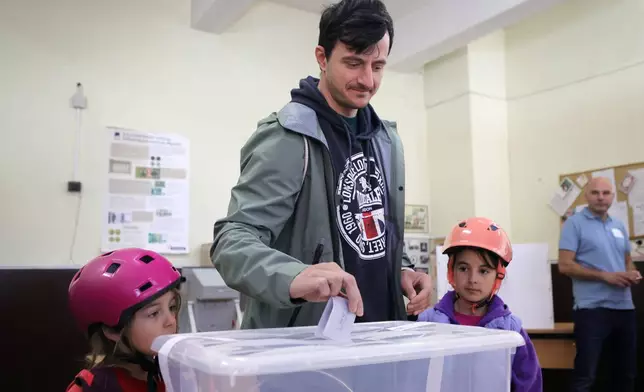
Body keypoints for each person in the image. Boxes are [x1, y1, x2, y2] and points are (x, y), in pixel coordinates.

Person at [210, 0, 432, 329]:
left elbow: (372, 236)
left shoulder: (387, 141)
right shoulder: (287, 137)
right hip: (308, 350)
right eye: (354, 63)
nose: (368, 80)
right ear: (322, 58)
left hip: (380, 337)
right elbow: (231, 241)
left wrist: (402, 270)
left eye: (378, 65)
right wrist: (294, 276)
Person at [418, 217, 542, 392]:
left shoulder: (511, 330)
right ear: (451, 270)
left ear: (498, 276)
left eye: (484, 271)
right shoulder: (428, 323)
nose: (473, 279)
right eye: (463, 268)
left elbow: (529, 384)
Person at [558, 177, 640, 392]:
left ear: (613, 196)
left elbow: (626, 260)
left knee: (626, 374)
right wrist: (606, 277)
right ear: (587, 196)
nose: (601, 197)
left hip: (624, 309)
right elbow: (565, 266)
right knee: (586, 376)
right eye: (595, 192)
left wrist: (631, 274)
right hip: (592, 310)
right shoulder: (574, 223)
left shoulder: (619, 225)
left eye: (606, 193)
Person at [66, 248, 183, 392]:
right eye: (154, 313)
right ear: (112, 330)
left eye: (172, 307)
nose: (171, 321)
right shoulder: (91, 387)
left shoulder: (179, 377)